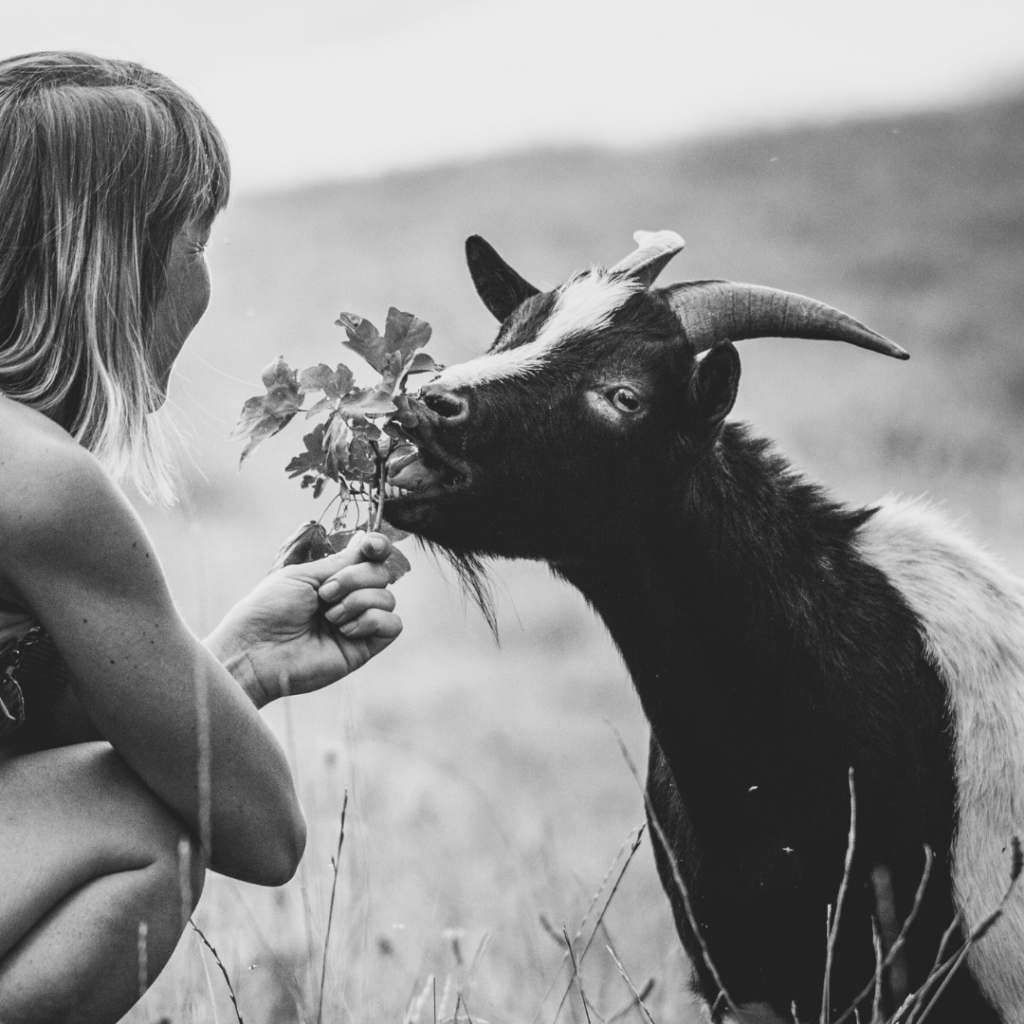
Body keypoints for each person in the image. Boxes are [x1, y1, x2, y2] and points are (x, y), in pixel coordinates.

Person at [0, 52, 403, 1023]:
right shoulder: (37, 480)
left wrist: (239, 656)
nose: (205, 278)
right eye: (200, 235)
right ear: (110, 254)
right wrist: (244, 681)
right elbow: (258, 831)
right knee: (152, 831)